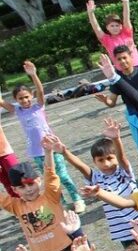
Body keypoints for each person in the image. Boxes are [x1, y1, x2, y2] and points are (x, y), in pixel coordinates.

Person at [0, 63, 82, 211]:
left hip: (53, 147)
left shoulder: (38, 106)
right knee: (49, 179)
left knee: (63, 176)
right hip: (37, 152)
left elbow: (40, 90)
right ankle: (59, 203)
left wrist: (33, 75)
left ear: (31, 95)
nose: (24, 100)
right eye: (20, 98)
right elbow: (2, 102)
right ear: (16, 99)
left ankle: (77, 199)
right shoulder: (18, 111)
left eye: (26, 97)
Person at [86, 0, 138, 66]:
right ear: (107, 27)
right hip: (122, 71)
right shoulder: (106, 40)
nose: (115, 28)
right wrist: (90, 13)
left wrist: (125, 2)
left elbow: (126, 18)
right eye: (112, 26)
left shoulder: (127, 33)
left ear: (121, 27)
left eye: (117, 25)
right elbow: (96, 27)